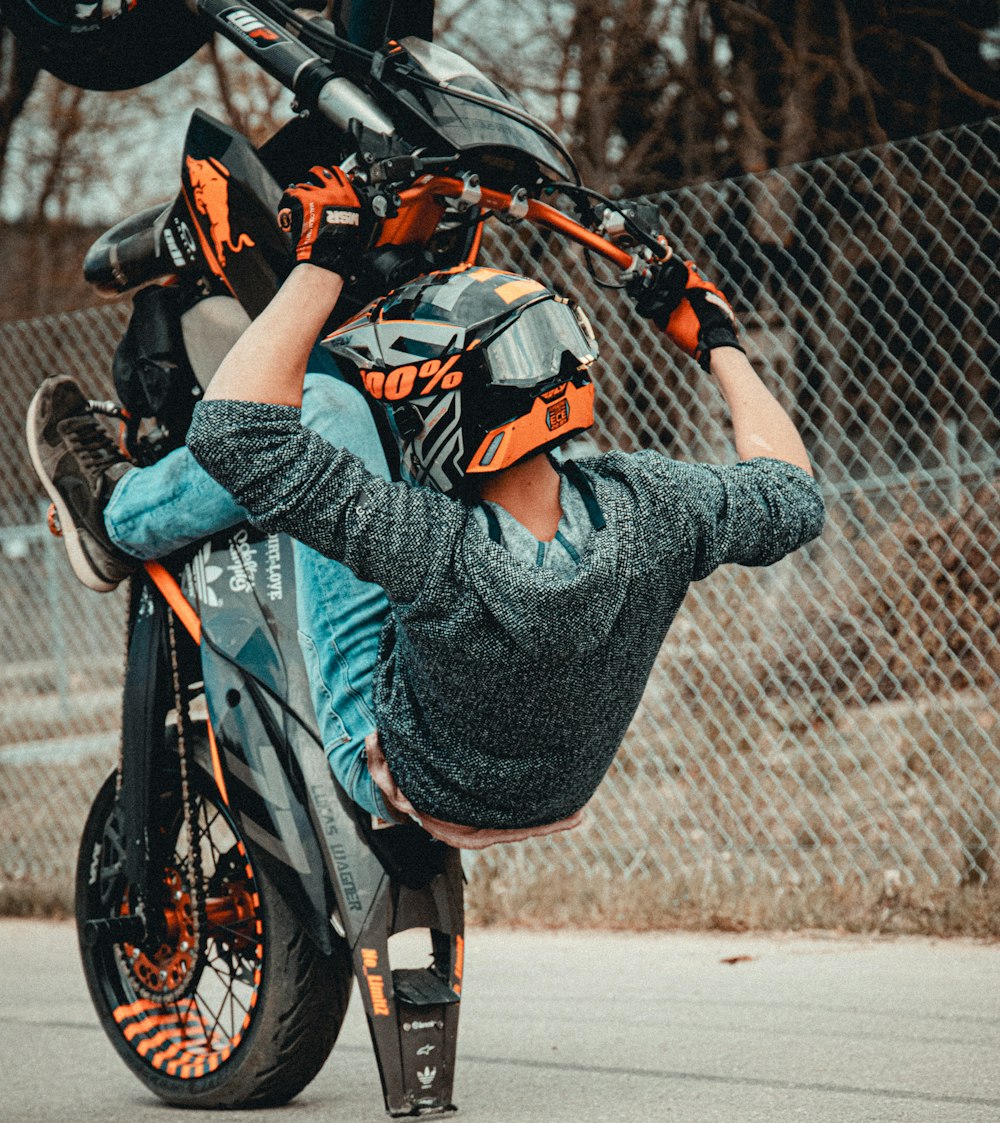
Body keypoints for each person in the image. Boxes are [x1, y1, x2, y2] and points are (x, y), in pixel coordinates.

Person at [27, 166, 824, 848]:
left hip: (401, 776)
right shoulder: (653, 509)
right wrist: (716, 336)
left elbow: (235, 433)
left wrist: (322, 263)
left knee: (329, 412)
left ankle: (117, 516)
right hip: (558, 796)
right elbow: (792, 491)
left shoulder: (431, 547)